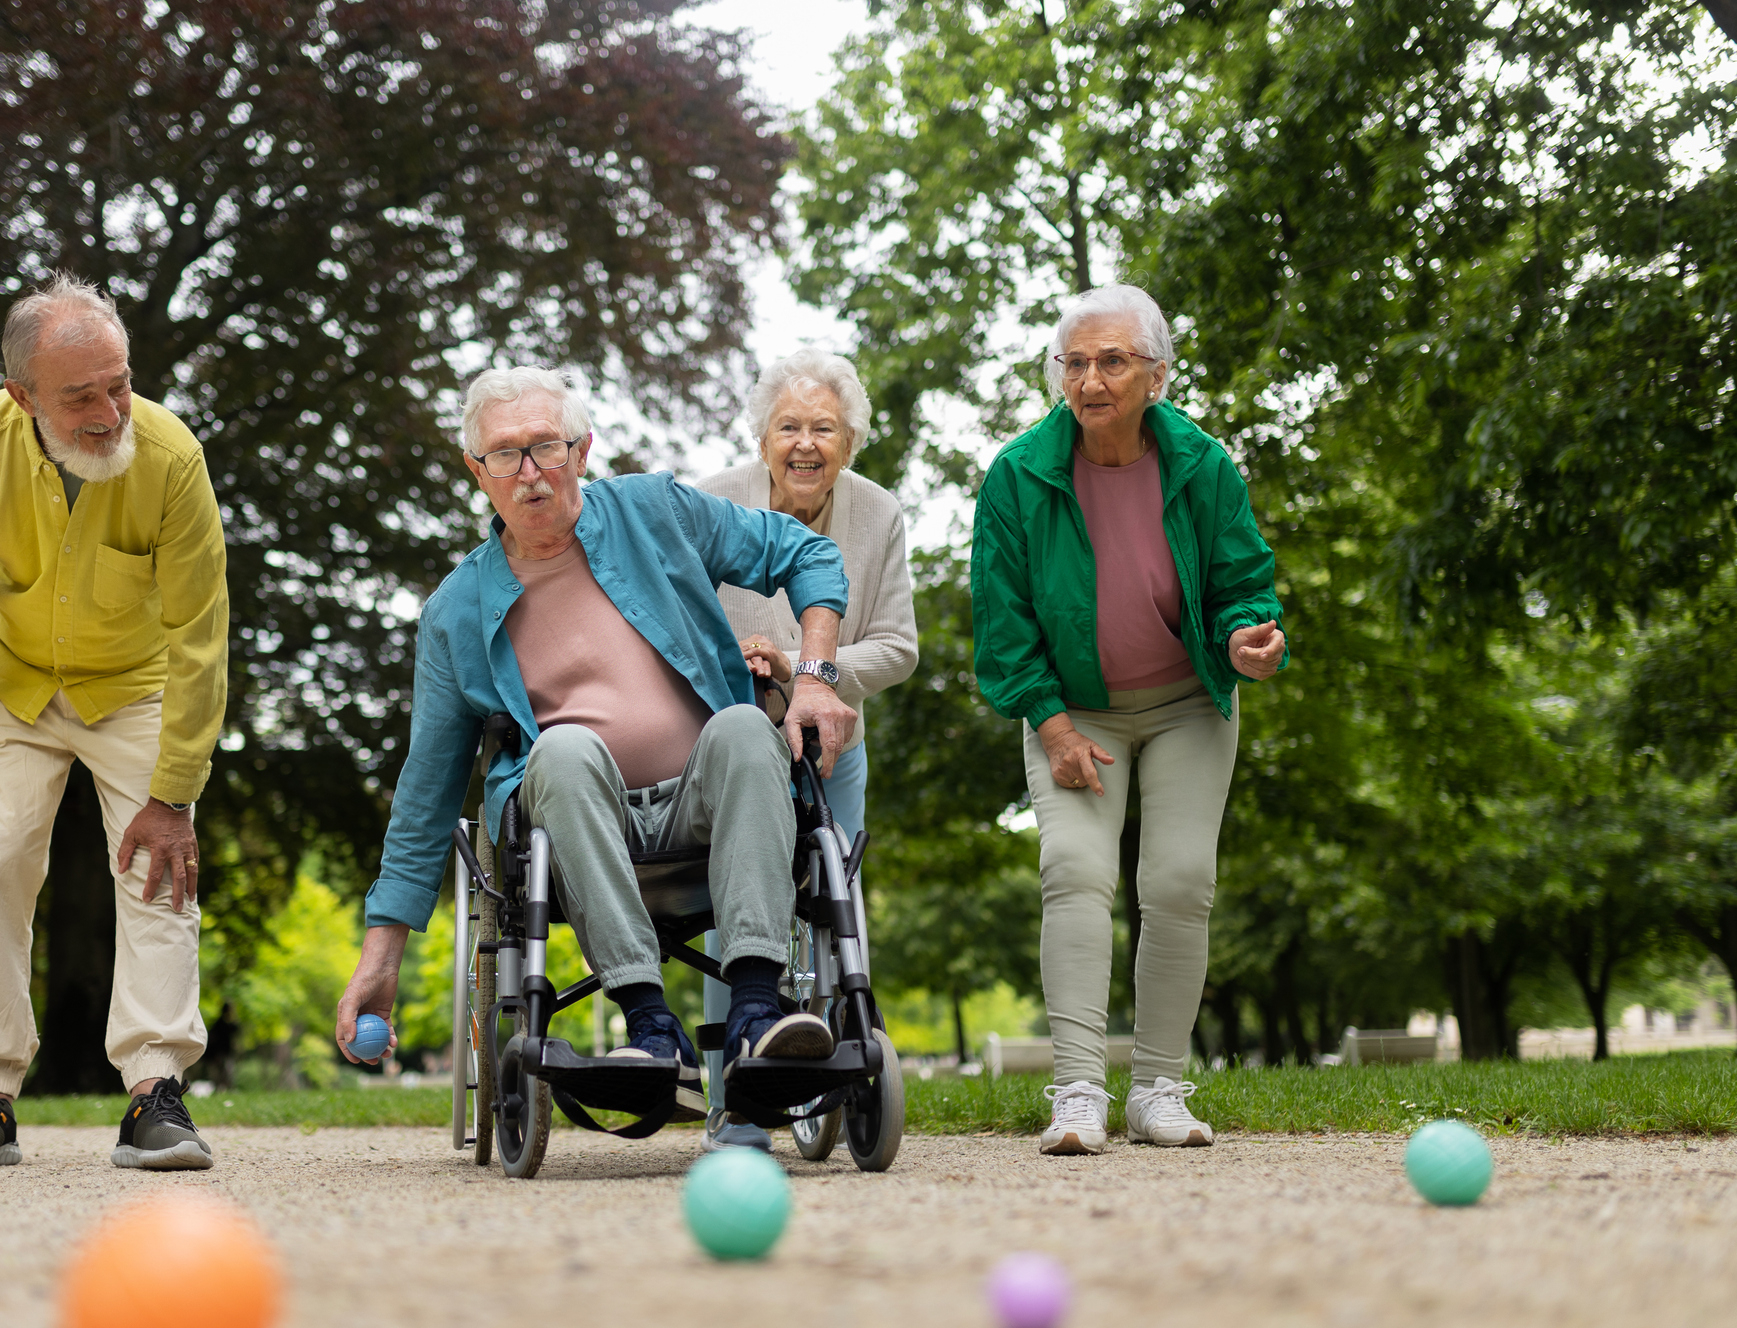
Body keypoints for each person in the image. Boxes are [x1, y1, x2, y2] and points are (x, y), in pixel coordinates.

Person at [334, 366, 861, 1116]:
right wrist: (378, 959)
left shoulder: (654, 511)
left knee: (746, 724)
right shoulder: (454, 613)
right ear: (475, 471)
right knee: (562, 748)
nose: (529, 473)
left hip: (708, 806)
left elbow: (806, 555)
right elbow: (425, 792)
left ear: (582, 451)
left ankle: (755, 1012)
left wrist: (812, 678)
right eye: (504, 455)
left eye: (545, 447)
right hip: (583, 821)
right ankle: (649, 1026)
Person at [0, 273, 229, 1171]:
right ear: (21, 395)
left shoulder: (171, 457)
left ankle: (155, 1093)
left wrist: (173, 795)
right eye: (80, 395)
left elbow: (201, 639)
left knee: (158, 871)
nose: (109, 410)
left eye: (118, 384)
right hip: (12, 684)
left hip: (136, 685)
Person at [970, 284, 1286, 1157]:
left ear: (1155, 374)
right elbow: (1002, 623)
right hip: (1073, 709)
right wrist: (1050, 721)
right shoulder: (1017, 474)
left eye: (1111, 361)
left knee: (1179, 882)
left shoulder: (1202, 465)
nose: (1090, 380)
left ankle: (1157, 1088)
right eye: (1074, 363)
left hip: (1187, 700)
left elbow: (1240, 585)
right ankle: (1076, 1091)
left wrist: (1245, 643)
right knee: (1073, 871)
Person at [693, 349, 917, 1151]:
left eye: (824, 427)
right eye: (788, 426)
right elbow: (676, 623)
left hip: (830, 734)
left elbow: (896, 646)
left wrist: (808, 668)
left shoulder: (876, 514)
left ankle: (824, 1064)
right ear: (762, 438)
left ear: (850, 440)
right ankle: (734, 1097)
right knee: (738, 900)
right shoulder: (711, 502)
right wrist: (736, 663)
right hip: (730, 734)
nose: (805, 443)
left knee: (833, 899)